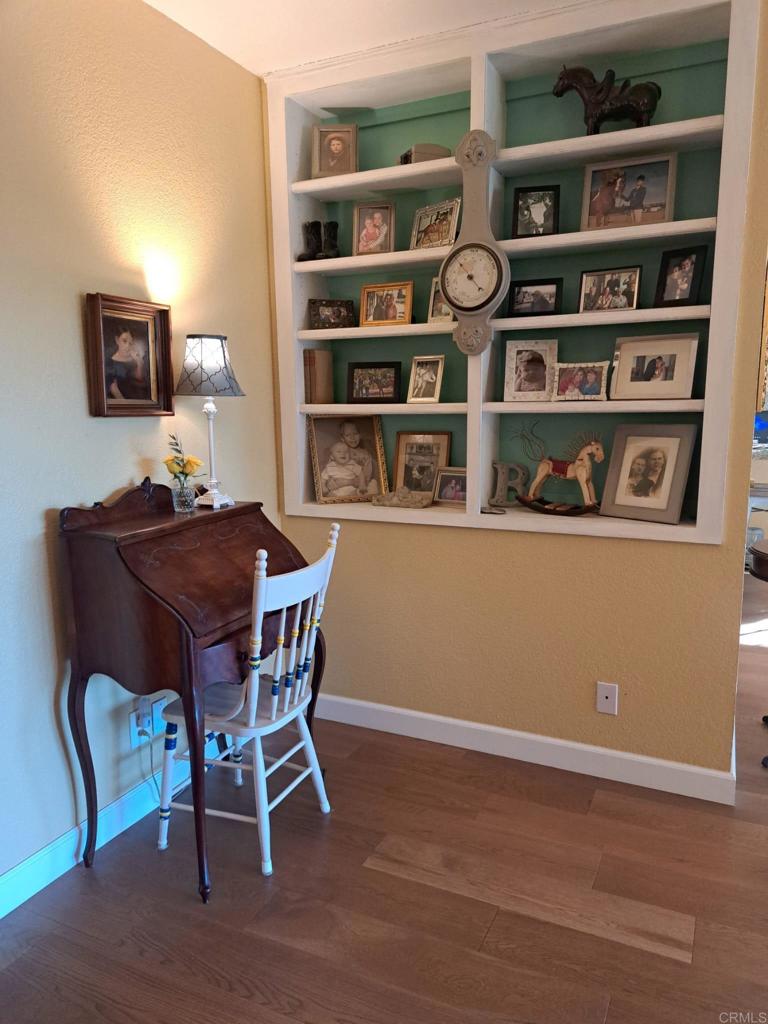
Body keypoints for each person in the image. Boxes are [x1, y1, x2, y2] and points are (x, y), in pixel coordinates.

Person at [105, 324, 149, 401]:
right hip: (124, 403)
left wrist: (139, 362)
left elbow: (140, 379)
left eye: (130, 343)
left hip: (140, 401)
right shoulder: (109, 361)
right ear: (117, 340)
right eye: (124, 341)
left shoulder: (135, 359)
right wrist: (126, 404)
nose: (127, 346)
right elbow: (113, 388)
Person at [339, 420, 379, 494]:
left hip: (362, 482)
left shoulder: (365, 453)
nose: (352, 437)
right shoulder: (339, 451)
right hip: (345, 482)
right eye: (348, 435)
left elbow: (368, 472)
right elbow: (333, 466)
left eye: (355, 433)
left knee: (374, 485)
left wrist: (363, 481)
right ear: (342, 438)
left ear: (360, 435)